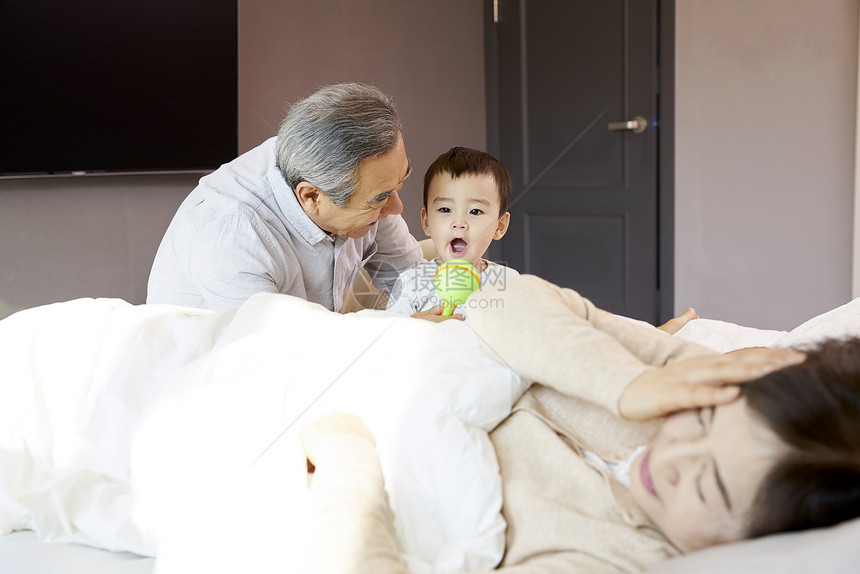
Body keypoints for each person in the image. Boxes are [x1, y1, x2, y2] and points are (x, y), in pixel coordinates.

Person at [300, 274, 860, 573]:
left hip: (343, 430)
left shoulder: (611, 558)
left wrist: (350, 471)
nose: (672, 458)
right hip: (361, 353)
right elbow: (499, 295)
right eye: (704, 420)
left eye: (708, 486)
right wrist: (631, 384)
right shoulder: (691, 385)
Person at [147, 83, 425, 313]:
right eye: (381, 198)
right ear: (311, 197)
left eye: (399, 184)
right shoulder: (231, 233)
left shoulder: (364, 185)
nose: (397, 207)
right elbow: (278, 357)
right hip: (220, 369)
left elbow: (412, 278)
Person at [385, 146, 517, 317]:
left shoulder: (509, 281)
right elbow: (392, 337)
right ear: (426, 221)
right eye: (446, 209)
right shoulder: (411, 282)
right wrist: (414, 326)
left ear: (499, 226)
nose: (459, 223)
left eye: (475, 211)